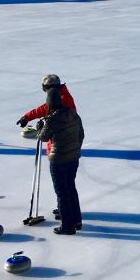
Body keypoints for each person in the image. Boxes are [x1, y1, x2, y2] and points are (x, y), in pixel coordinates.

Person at [18, 74, 77, 221]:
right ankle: (69, 211)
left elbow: (44, 132)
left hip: (59, 151)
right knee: (68, 186)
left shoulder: (62, 101)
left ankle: (67, 216)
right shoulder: (64, 97)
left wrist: (37, 125)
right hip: (71, 149)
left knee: (63, 188)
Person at [37, 85, 85, 235]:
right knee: (71, 187)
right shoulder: (73, 114)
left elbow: (43, 137)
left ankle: (68, 226)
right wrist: (75, 149)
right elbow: (81, 135)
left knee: (62, 193)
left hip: (58, 160)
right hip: (73, 158)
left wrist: (39, 128)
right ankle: (77, 220)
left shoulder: (51, 120)